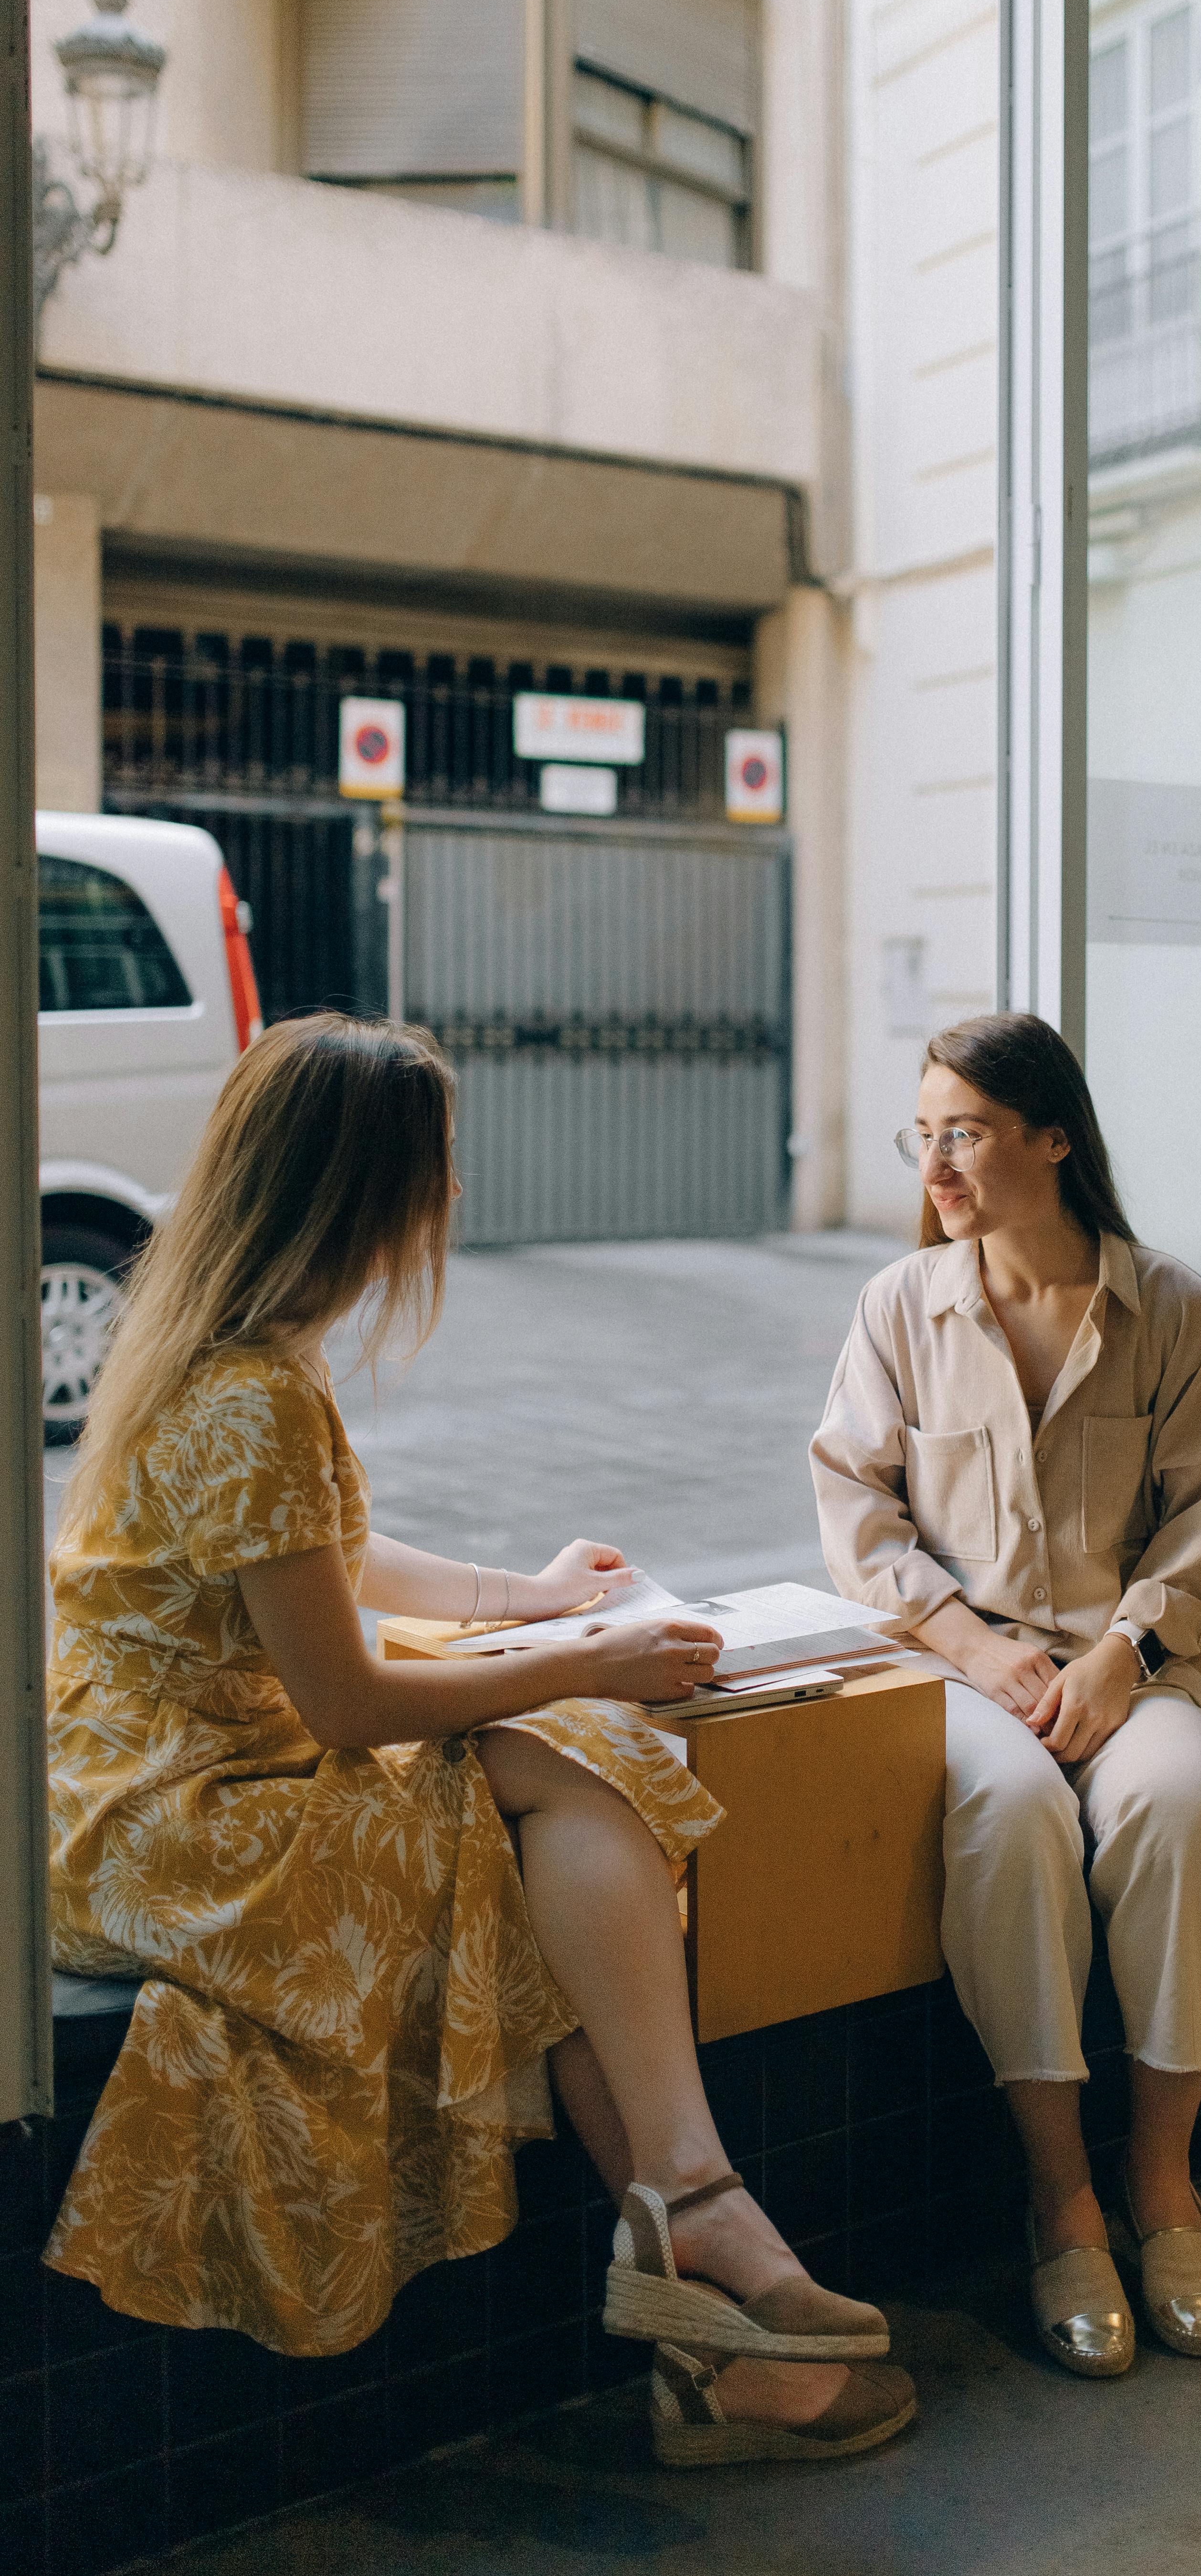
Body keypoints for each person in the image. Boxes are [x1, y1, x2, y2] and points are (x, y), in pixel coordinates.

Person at [45, 1012, 915, 2467]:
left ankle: (696, 2243)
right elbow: (348, 1704)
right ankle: (695, 2227)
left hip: (140, 1790)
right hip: (169, 1827)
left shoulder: (217, 1348)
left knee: (563, 1768)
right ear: (368, 1193)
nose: (451, 1199)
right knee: (579, 1752)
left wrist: (530, 1598)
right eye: (434, 1168)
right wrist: (588, 1647)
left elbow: (327, 1558)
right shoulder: (252, 1393)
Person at [811, 1012, 1201, 2377]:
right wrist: (970, 1643)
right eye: (925, 1132)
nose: (936, 1163)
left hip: (1137, 1664)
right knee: (1007, 1816)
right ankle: (1061, 2194)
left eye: (965, 1130)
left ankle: (1163, 2180)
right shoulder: (899, 1308)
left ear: (1052, 1135)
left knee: (1181, 1804)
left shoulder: (1171, 1308)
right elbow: (856, 1513)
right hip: (959, 1671)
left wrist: (1120, 1653)